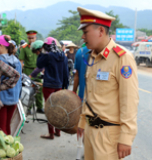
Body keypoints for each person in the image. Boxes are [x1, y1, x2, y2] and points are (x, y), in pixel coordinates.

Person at [76, 7, 139, 160]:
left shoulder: (122, 58)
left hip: (108, 135)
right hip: (90, 131)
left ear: (101, 32)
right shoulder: (91, 56)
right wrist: (83, 121)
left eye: (86, 32)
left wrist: (126, 137)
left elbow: (129, 100)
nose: (83, 37)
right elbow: (89, 94)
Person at [31, 38, 69, 139]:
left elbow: (39, 64)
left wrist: (42, 53)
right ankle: (58, 131)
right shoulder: (62, 55)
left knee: (49, 109)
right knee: (58, 108)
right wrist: (65, 86)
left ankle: (51, 133)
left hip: (48, 86)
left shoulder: (47, 56)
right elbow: (66, 72)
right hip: (59, 85)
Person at [0, 35, 22, 135]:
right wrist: (18, 97)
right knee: (7, 125)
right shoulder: (17, 61)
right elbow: (19, 82)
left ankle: (2, 148)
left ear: (1, 46)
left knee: (1, 128)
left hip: (2, 99)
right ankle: (8, 146)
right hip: (14, 98)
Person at [19, 30, 44, 114]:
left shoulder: (40, 47)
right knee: (28, 90)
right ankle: (28, 109)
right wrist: (20, 72)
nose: (31, 40)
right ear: (27, 38)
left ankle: (40, 107)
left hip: (38, 70)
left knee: (39, 89)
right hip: (28, 71)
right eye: (29, 38)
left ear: (35, 38)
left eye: (32, 38)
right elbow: (21, 61)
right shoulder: (24, 48)